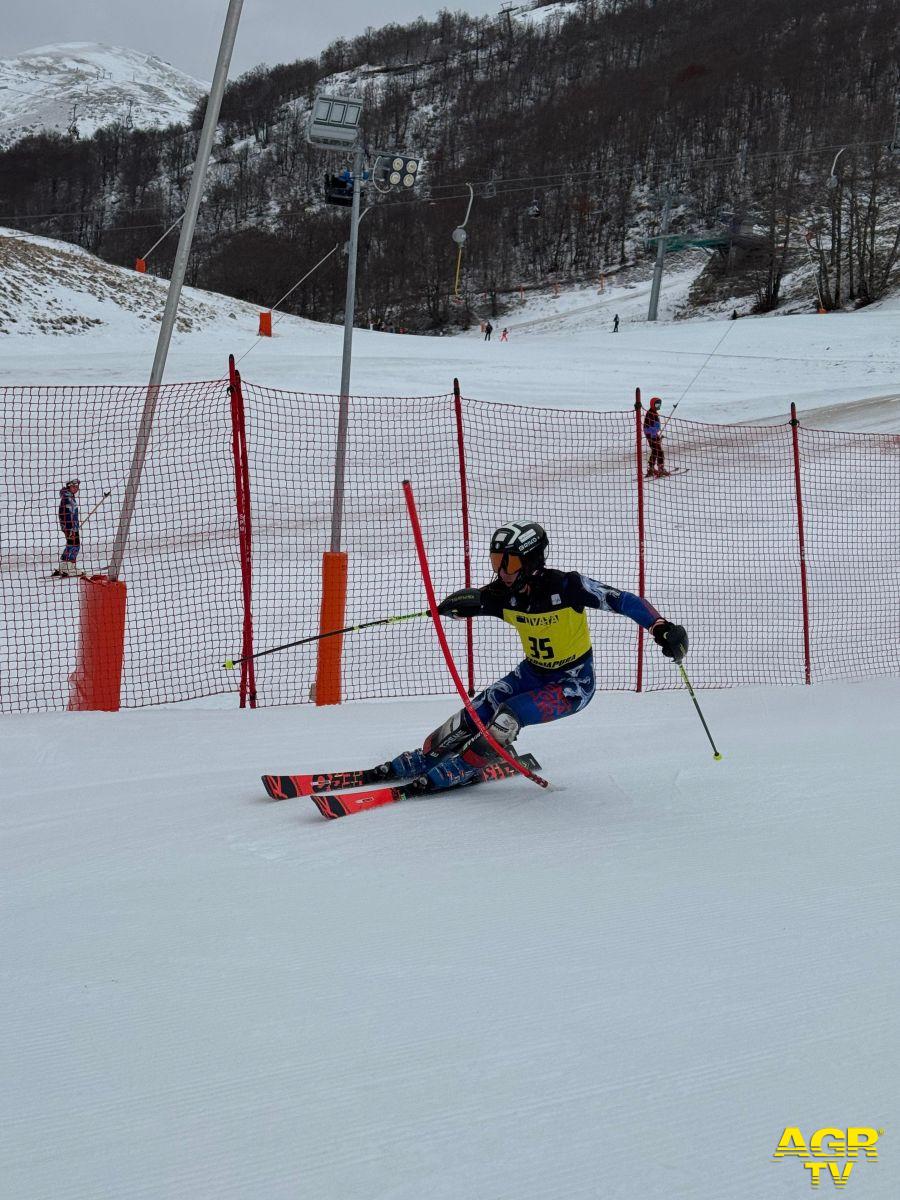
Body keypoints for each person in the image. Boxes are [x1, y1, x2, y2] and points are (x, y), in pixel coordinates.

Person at [379, 522, 687, 791]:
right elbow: (476, 602)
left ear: (530, 561)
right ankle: (429, 755)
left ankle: (465, 767)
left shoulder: (567, 586)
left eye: (509, 563)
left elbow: (622, 600)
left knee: (508, 715)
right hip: (532, 672)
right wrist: (456, 607)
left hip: (573, 683)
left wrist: (660, 627)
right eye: (496, 561)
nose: (502, 571)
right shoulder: (502, 593)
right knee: (481, 708)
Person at [53, 478, 83, 577]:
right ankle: (70, 568)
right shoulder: (68, 498)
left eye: (77, 487)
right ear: (69, 486)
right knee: (75, 545)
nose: (76, 488)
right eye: (74, 486)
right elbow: (67, 515)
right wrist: (71, 528)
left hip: (69, 527)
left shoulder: (68, 496)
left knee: (70, 545)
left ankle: (63, 566)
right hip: (70, 527)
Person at [643, 397, 669, 477]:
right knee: (659, 452)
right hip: (652, 436)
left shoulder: (653, 412)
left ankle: (651, 468)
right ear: (652, 404)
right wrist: (654, 433)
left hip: (653, 435)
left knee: (655, 451)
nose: (658, 406)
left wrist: (655, 432)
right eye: (656, 404)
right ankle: (660, 468)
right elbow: (646, 428)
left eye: (659, 404)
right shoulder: (650, 414)